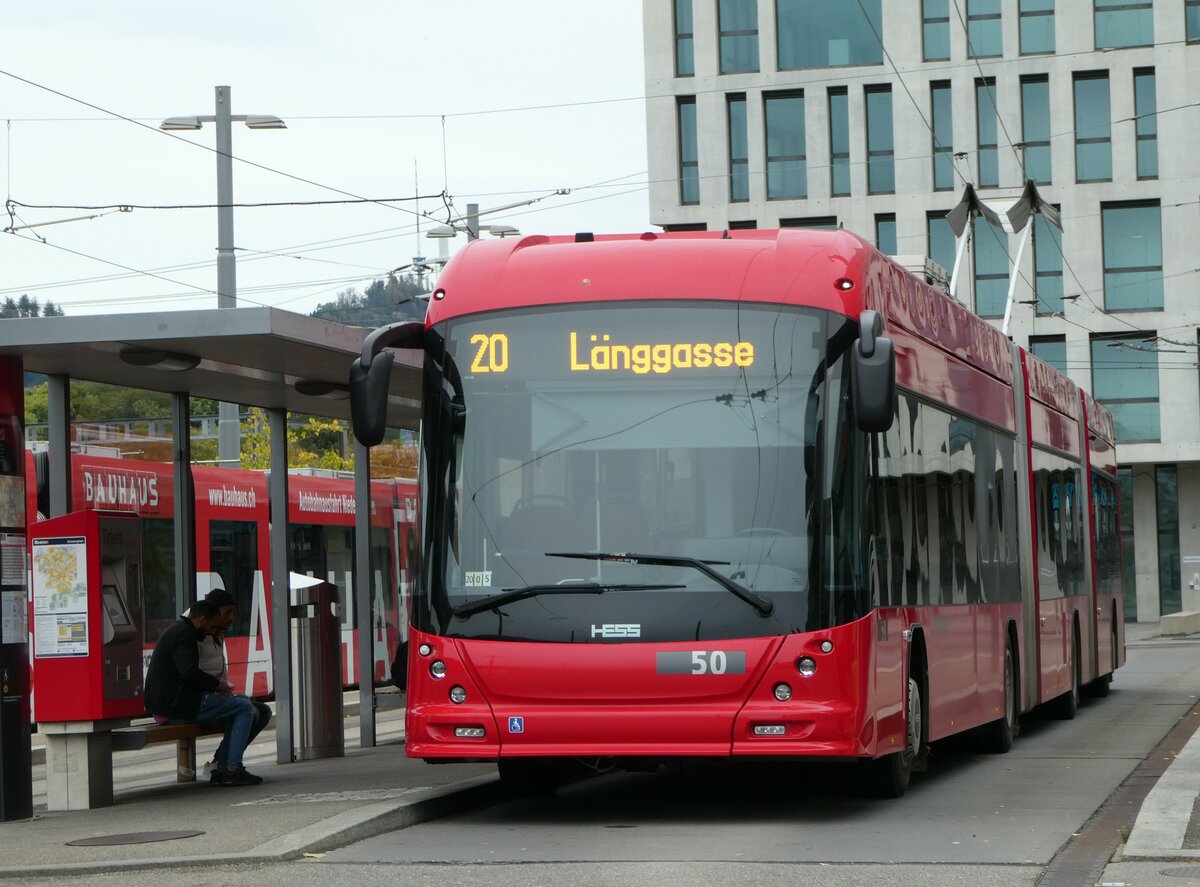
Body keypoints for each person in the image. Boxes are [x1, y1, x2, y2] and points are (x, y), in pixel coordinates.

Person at [144, 598, 263, 787]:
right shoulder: (184, 635)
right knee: (243, 706)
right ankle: (231, 768)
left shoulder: (181, 631)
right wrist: (217, 685)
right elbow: (189, 672)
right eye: (212, 627)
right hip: (173, 706)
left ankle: (224, 767)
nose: (211, 633)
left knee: (240, 702)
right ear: (201, 620)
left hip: (172, 702)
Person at [197, 588, 272, 777]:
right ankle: (230, 766)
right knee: (245, 708)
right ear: (212, 614)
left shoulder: (217, 634)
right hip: (200, 697)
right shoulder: (197, 634)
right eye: (227, 613)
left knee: (262, 710)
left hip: (215, 694)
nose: (232, 618)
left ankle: (219, 763)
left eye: (233, 612)